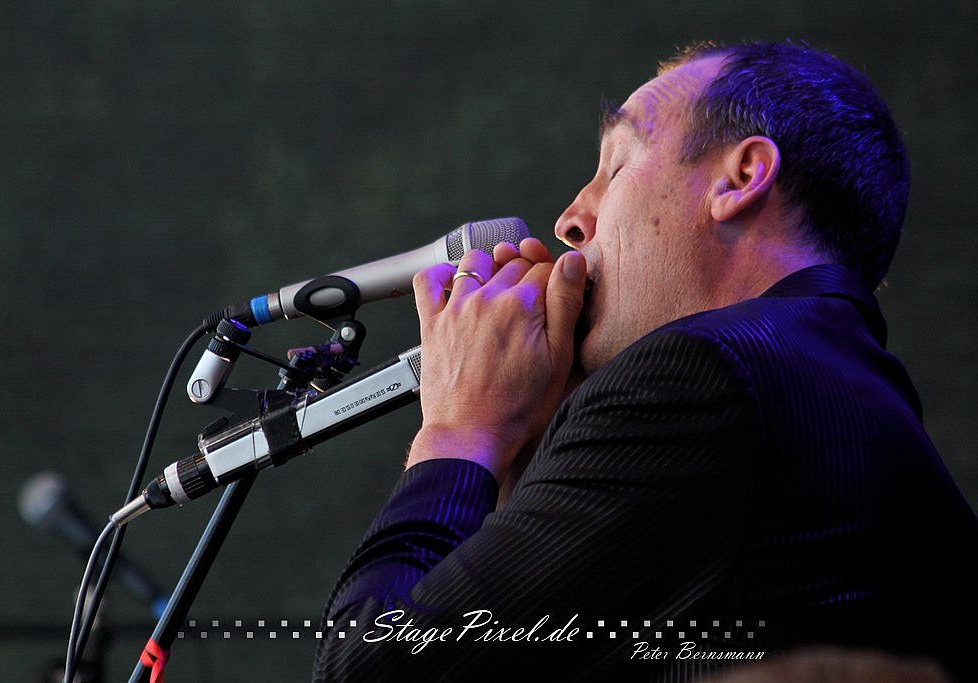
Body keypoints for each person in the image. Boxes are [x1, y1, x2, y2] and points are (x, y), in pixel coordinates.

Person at [312, 42, 978, 681]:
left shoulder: (705, 376)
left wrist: (458, 430)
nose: (570, 220)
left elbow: (370, 669)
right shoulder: (828, 381)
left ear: (741, 177)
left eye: (616, 165)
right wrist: (528, 447)